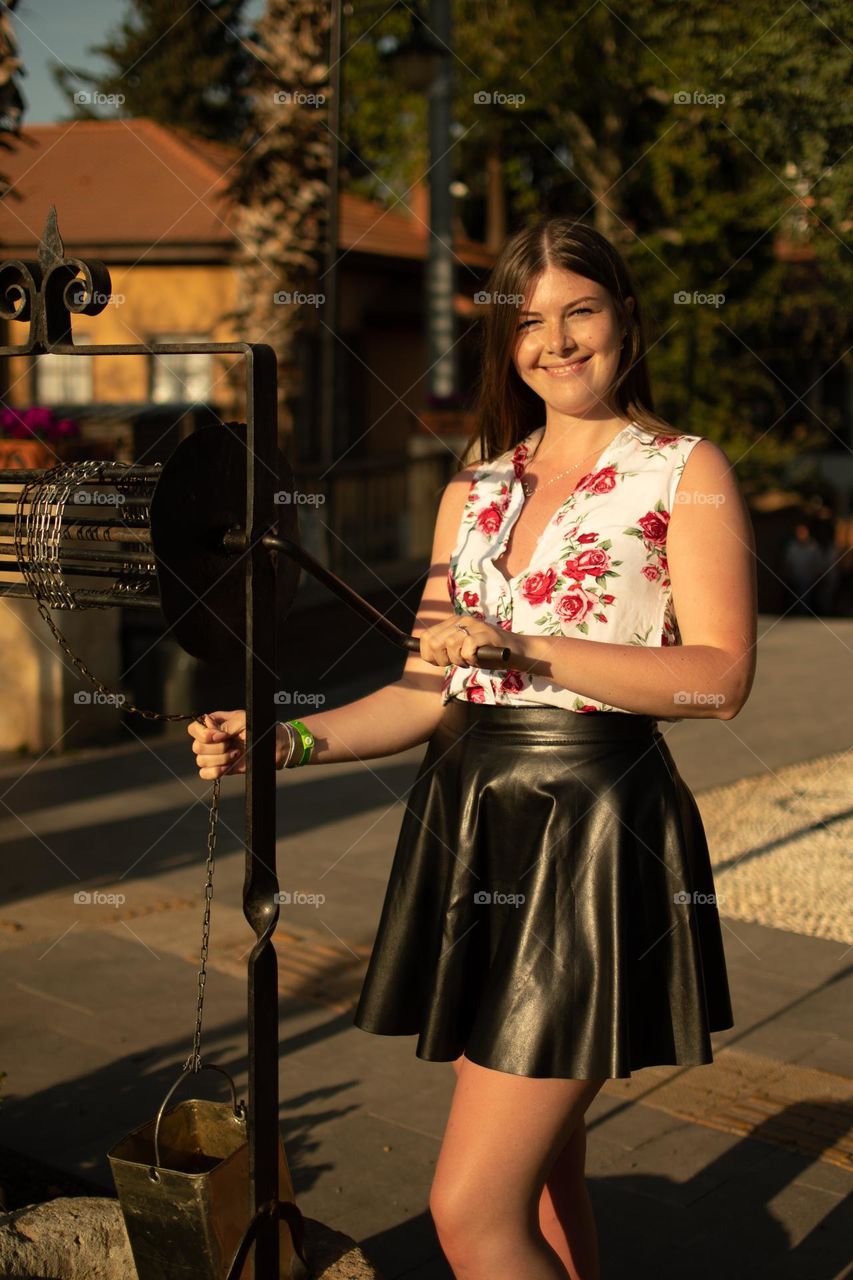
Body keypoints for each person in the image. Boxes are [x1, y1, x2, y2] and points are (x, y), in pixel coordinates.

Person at [189, 216, 757, 1280]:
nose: (556, 339)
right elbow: (421, 692)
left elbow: (718, 678)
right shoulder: (475, 487)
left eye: (579, 309)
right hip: (475, 819)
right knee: (546, 1178)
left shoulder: (684, 471)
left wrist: (526, 645)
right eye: (528, 320)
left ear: (625, 317)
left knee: (468, 1208)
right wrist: (283, 739)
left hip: (593, 828)